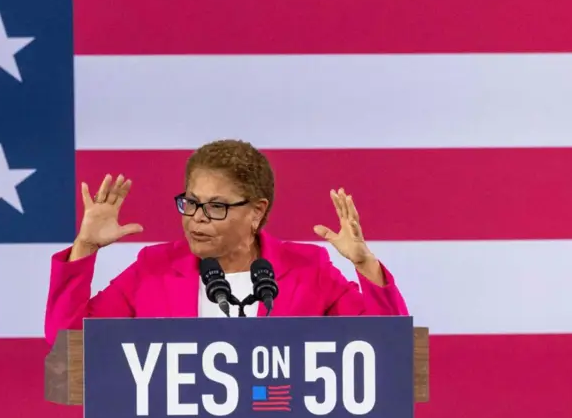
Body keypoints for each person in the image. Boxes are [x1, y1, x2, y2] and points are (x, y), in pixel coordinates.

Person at [43, 139, 408, 345]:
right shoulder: (153, 269)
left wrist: (364, 264)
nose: (197, 218)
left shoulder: (307, 269)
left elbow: (388, 351)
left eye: (216, 206)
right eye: (191, 202)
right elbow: (68, 346)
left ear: (255, 211)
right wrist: (84, 249)